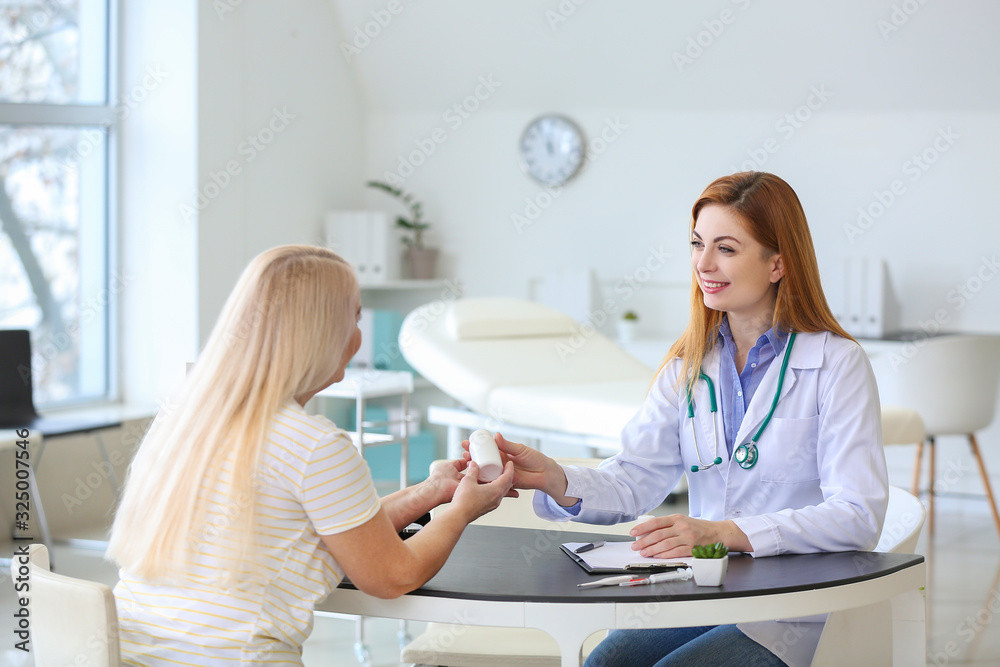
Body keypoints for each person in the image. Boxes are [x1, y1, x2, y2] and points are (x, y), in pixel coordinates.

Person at [483, 172, 888, 667]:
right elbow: (634, 479)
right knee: (604, 664)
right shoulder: (689, 365)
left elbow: (858, 516)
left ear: (778, 262)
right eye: (697, 244)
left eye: (727, 248)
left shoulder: (836, 364)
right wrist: (555, 478)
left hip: (792, 604)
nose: (703, 263)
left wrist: (724, 532)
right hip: (705, 588)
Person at [107, 245, 514, 665]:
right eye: (355, 318)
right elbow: (393, 575)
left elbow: (341, 530)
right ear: (322, 332)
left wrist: (433, 491)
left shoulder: (182, 413)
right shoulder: (314, 444)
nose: (359, 336)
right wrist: (463, 511)